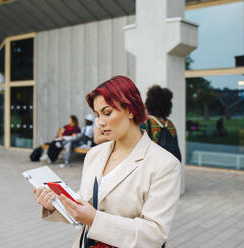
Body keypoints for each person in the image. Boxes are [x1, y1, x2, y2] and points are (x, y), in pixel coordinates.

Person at [34, 76, 181, 247]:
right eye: (97, 115)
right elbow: (84, 204)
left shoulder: (164, 164)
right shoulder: (94, 154)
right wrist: (54, 205)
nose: (100, 122)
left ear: (130, 110)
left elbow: (154, 234)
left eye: (107, 113)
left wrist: (95, 219)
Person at [140, 85, 181, 162]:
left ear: (149, 103)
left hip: (152, 167)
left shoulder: (145, 124)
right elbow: (177, 153)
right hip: (169, 166)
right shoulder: (170, 124)